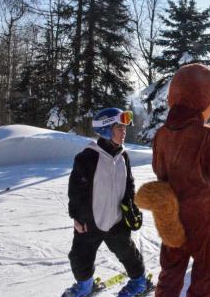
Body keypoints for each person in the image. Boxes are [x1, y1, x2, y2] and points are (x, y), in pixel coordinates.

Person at [144, 63, 210, 297]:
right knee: (205, 271)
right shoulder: (207, 135)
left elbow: (160, 170)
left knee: (171, 270)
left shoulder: (162, 134)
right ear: (201, 98)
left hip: (172, 211)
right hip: (201, 215)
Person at [63, 108, 148, 297]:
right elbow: (75, 191)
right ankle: (85, 286)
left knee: (127, 253)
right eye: (119, 127)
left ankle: (139, 281)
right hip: (91, 220)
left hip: (117, 220)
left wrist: (130, 207)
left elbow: (129, 183)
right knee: (80, 256)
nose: (123, 131)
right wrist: (77, 217)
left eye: (124, 127)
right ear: (105, 130)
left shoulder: (123, 156)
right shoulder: (87, 157)